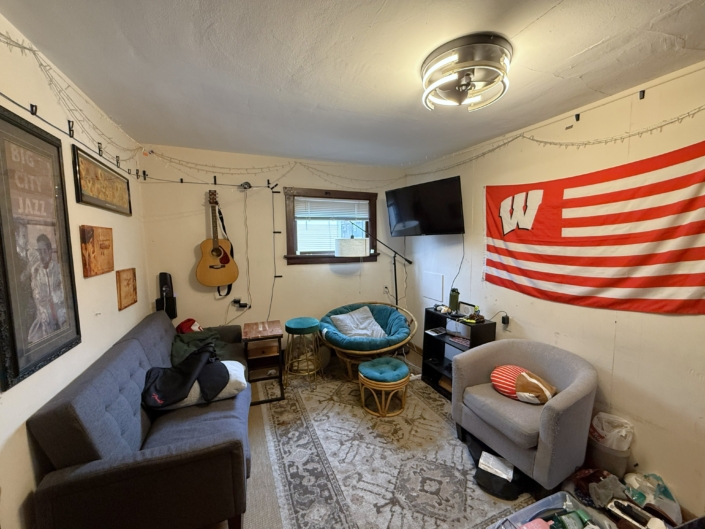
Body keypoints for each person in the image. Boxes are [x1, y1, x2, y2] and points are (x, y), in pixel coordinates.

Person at [28, 233, 67, 343]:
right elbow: (35, 293)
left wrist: (53, 297)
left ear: (50, 251)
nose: (42, 255)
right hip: (44, 316)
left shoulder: (59, 269)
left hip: (60, 312)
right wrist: (40, 298)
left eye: (44, 251)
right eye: (39, 251)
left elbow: (65, 291)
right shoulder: (36, 271)